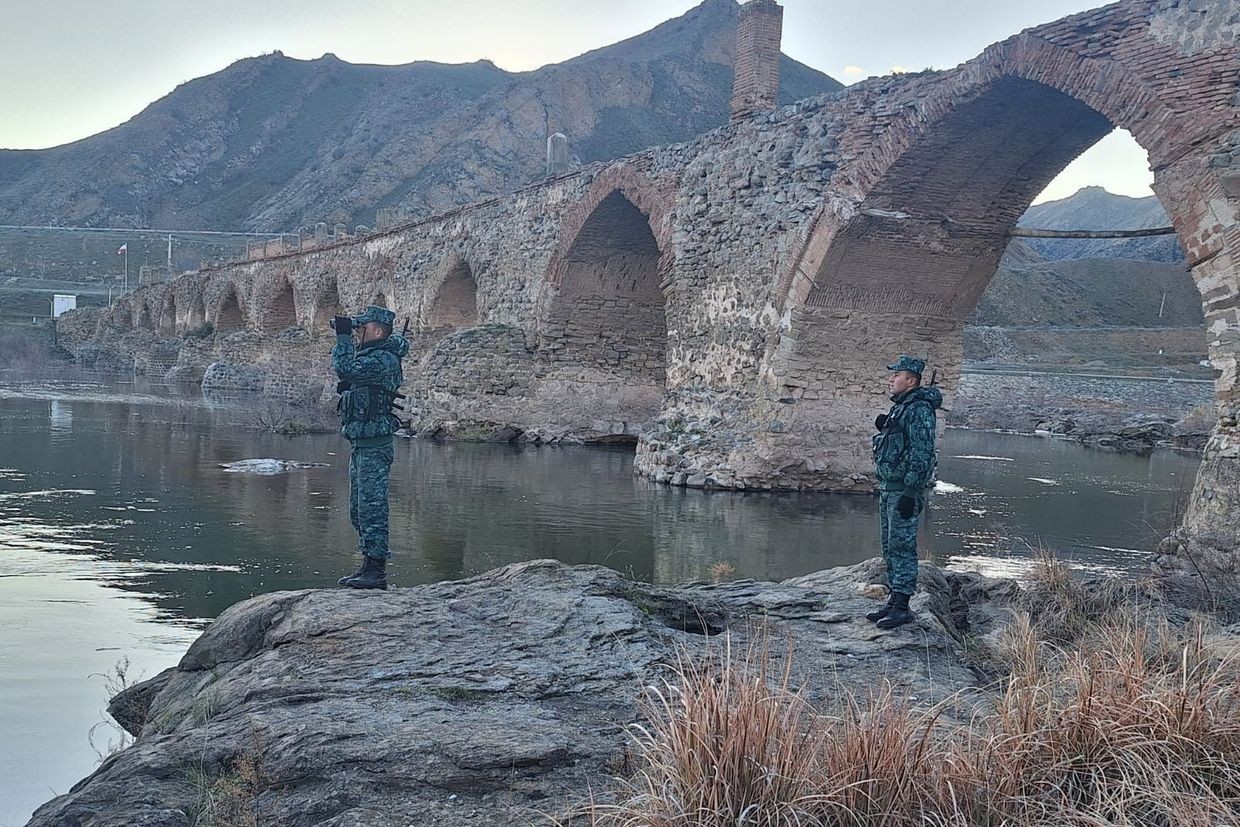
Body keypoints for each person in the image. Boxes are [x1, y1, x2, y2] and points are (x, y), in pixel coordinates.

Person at [331, 305, 409, 590]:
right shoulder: (374, 358)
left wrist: (341, 337)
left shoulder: (384, 360)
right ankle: (366, 564)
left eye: (361, 329)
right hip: (361, 443)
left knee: (372, 507)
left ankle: (376, 571)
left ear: (377, 331)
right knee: (358, 508)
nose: (356, 334)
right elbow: (352, 375)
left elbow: (344, 366)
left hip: (375, 445)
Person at [867, 355, 942, 629]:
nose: (891, 379)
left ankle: (903, 606)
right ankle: (894, 599)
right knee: (889, 546)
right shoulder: (902, 408)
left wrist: (912, 490)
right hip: (889, 487)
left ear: (911, 381)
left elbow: (922, 452)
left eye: (896, 375)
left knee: (902, 545)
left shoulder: (920, 409)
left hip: (903, 490)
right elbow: (901, 442)